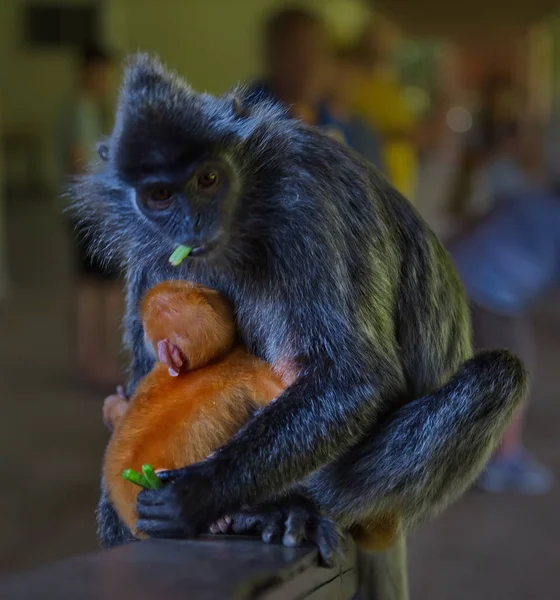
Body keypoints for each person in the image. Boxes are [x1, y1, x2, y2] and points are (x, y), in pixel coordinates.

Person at [449, 79, 556, 493]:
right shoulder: (531, 189)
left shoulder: (534, 192)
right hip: (490, 288)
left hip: (471, 275)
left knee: (480, 366)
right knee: (514, 370)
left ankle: (482, 453)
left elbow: (480, 216)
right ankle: (500, 460)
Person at [58, 44, 124, 389]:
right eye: (99, 73)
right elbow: (79, 162)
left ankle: (100, 356)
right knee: (96, 285)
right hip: (90, 210)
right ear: (87, 72)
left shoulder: (98, 109)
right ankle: (92, 358)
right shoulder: (80, 110)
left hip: (97, 209)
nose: (104, 80)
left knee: (102, 285)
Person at [250, 6, 383, 168]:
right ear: (271, 54)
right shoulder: (244, 123)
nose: (310, 64)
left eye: (319, 51)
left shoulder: (351, 128)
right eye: (296, 51)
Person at [350, 16, 421, 199]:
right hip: (373, 181)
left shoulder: (391, 82)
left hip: (398, 183)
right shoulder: (354, 83)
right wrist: (397, 134)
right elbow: (354, 129)